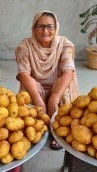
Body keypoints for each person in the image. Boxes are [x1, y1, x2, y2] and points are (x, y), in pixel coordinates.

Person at [15, 10, 79, 150]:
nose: (46, 31)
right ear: (33, 28)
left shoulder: (64, 45)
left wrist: (54, 96)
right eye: (40, 26)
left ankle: (59, 131)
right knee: (28, 92)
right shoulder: (24, 47)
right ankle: (38, 128)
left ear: (56, 28)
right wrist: (38, 99)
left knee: (63, 88)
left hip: (58, 87)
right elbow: (24, 75)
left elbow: (68, 72)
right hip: (36, 88)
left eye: (50, 26)